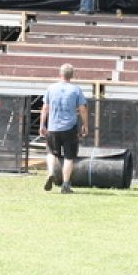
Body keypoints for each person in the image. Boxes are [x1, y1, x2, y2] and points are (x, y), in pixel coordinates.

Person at [39, 63, 89, 194]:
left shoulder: (51, 88)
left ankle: (50, 172)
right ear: (72, 75)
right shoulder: (76, 90)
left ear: (60, 74)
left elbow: (45, 108)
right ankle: (66, 184)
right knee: (69, 157)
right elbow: (83, 109)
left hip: (53, 127)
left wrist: (42, 125)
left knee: (51, 153)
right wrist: (85, 125)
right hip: (69, 128)